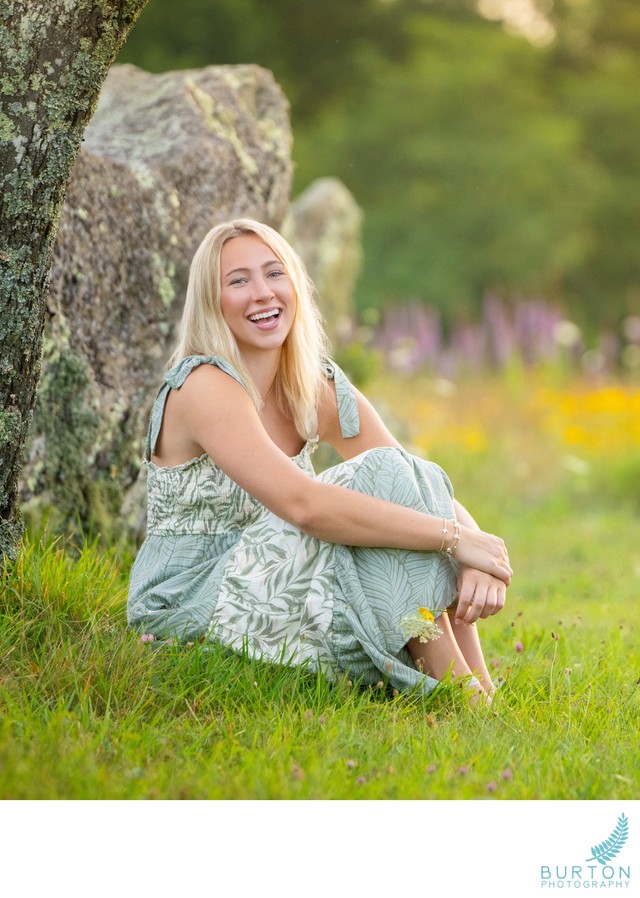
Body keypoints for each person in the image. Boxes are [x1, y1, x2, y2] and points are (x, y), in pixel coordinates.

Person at [127, 218, 512, 703]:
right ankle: (463, 695)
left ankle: (478, 690)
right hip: (189, 601)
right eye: (238, 281)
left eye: (274, 273)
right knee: (379, 482)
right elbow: (303, 506)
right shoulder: (203, 385)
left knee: (397, 476)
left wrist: (479, 554)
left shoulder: (315, 386)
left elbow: (415, 481)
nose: (262, 293)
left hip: (273, 584)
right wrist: (456, 540)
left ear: (295, 285)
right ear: (212, 301)